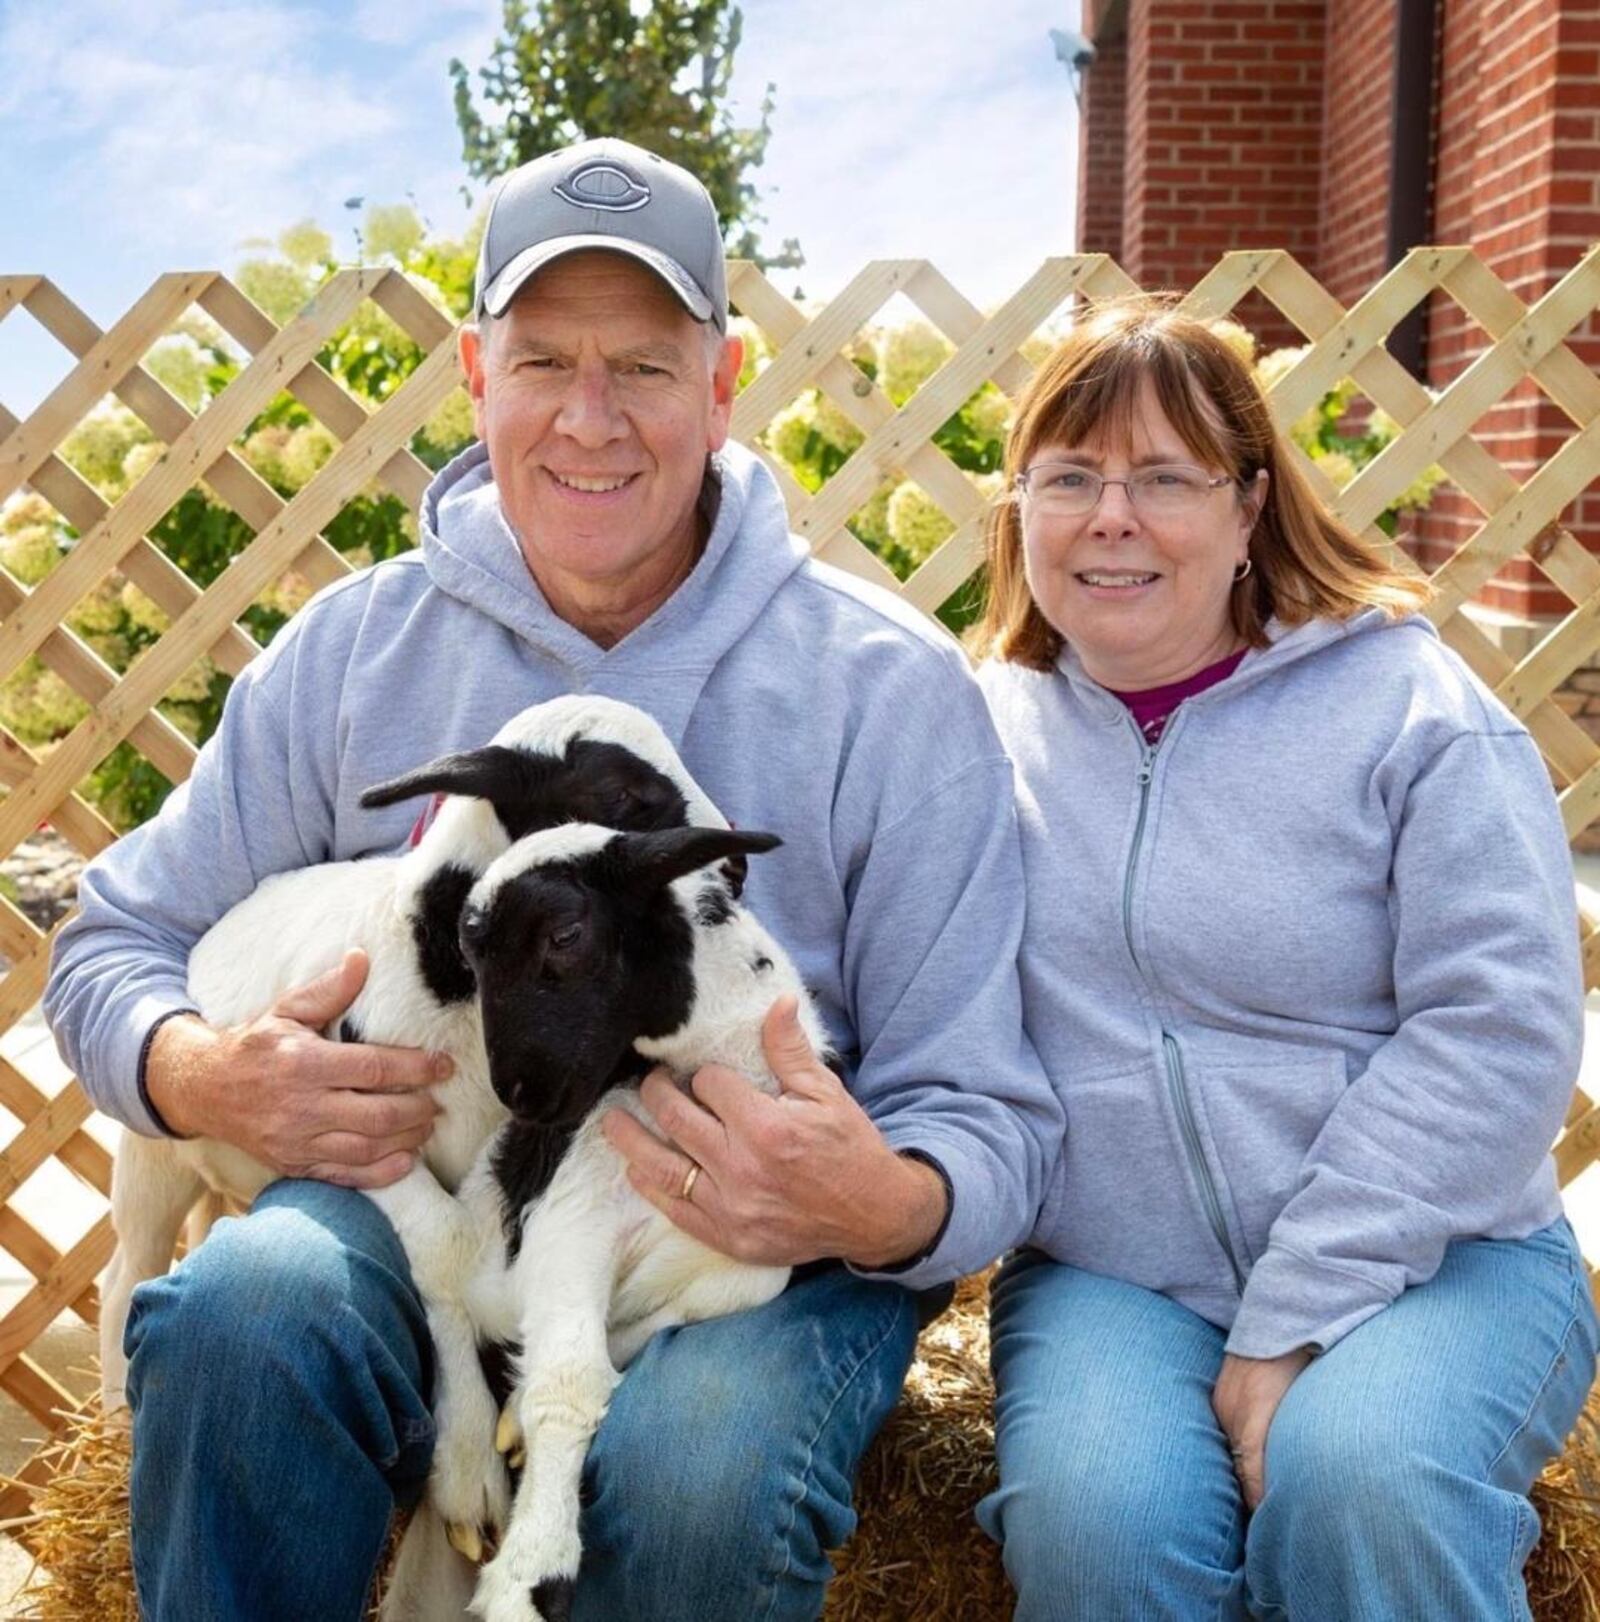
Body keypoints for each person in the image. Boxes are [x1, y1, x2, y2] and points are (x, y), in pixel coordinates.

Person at [44, 137, 1061, 1622]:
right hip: (434, 1202)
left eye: (645, 367)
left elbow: (994, 1109)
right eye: (544, 360)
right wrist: (201, 1073)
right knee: (240, 1318)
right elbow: (114, 940)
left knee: (707, 1470)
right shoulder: (350, 653)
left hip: (738, 1240)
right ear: (474, 374)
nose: (592, 418)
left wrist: (887, 1198)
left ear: (723, 384)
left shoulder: (885, 687)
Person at [971, 298, 1599, 1621]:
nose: (1109, 516)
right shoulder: (977, 736)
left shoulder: (1412, 712)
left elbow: (1499, 1034)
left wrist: (1292, 1311)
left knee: (1363, 1482)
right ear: (1019, 504)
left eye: (1164, 478)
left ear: (1251, 506)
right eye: (1070, 476)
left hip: (1440, 1254)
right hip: (1115, 1271)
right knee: (1096, 1525)